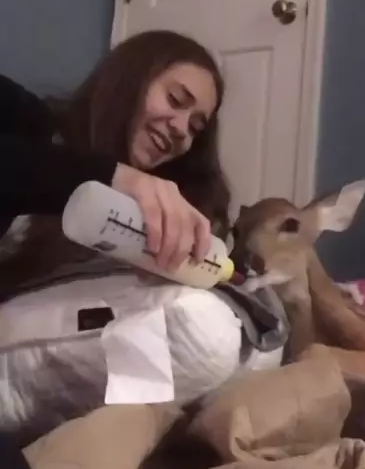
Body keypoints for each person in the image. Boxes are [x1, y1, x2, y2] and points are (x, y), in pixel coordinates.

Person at [0, 29, 230, 293]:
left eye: (195, 127)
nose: (181, 129)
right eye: (175, 99)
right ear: (129, 80)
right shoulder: (22, 117)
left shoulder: (131, 222)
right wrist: (115, 176)